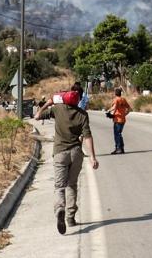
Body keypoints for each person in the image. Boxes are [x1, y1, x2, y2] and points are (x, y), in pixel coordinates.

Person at [34, 83, 98, 234]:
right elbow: (88, 136)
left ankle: (60, 209)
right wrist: (93, 157)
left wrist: (48, 103)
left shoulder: (58, 109)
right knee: (72, 185)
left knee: (59, 186)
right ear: (79, 99)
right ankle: (70, 217)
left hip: (60, 153)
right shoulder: (82, 114)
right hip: (76, 153)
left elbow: (37, 116)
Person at [106, 87, 132, 154]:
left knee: (117, 134)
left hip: (117, 119)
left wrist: (108, 111)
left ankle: (118, 148)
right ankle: (121, 148)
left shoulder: (116, 100)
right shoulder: (123, 99)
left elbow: (114, 107)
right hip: (123, 119)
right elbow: (129, 108)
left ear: (115, 93)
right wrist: (125, 114)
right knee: (119, 134)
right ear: (120, 93)